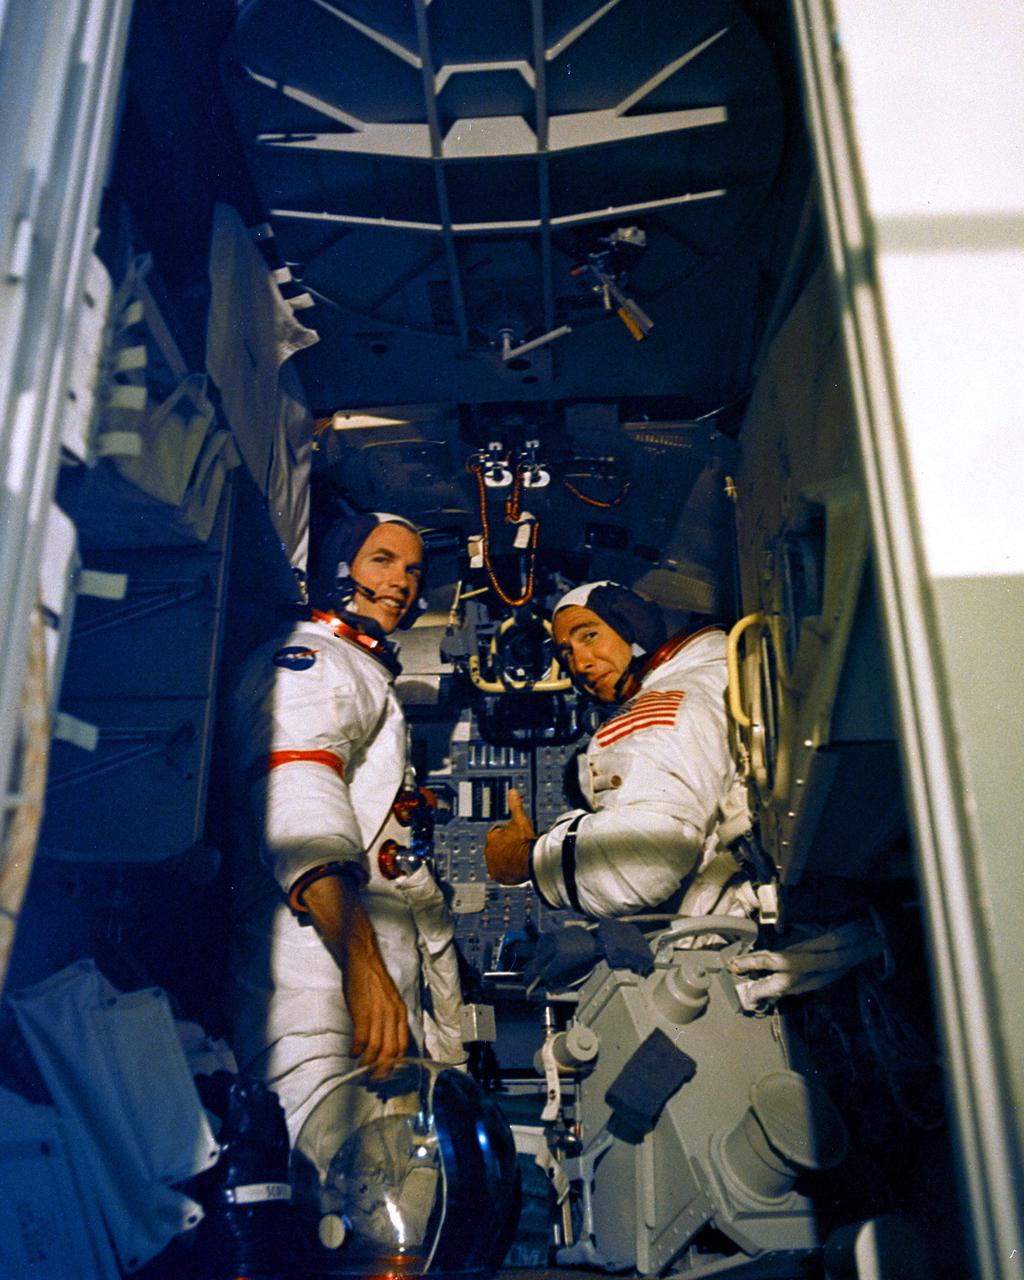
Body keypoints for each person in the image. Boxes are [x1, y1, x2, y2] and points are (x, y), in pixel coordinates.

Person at [225, 511, 465, 1175]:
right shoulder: (312, 663)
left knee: (383, 1197)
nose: (402, 583)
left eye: (414, 570)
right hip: (314, 987)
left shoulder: (354, 669)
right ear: (337, 572)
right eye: (382, 560)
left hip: (356, 983)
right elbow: (301, 810)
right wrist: (362, 969)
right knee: (325, 1194)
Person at [485, 580, 752, 919]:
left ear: (634, 623)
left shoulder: (660, 708)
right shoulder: (712, 673)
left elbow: (644, 860)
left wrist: (528, 859)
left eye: (589, 635)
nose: (579, 664)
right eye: (567, 652)